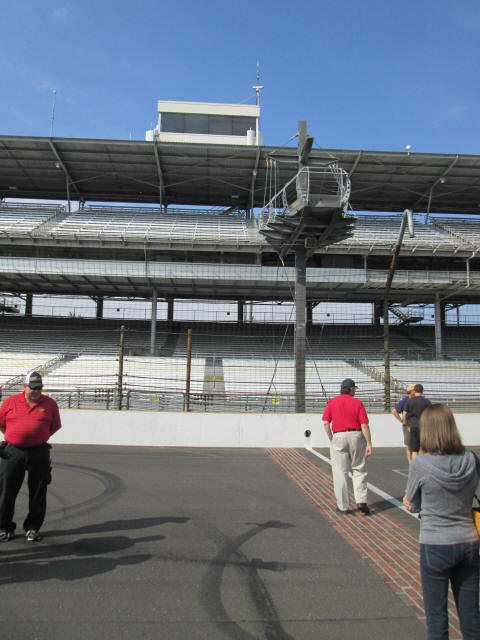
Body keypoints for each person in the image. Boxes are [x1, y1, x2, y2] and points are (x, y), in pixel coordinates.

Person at [403, 404, 480, 639]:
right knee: (471, 615)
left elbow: (414, 503)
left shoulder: (420, 464)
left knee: (436, 617)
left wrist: (409, 502)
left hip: (435, 542)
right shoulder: (470, 458)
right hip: (468, 540)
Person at [0, 370, 61, 542]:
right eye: (33, 387)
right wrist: (15, 436)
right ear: (24, 387)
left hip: (39, 451)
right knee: (6, 491)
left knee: (38, 491)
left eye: (39, 388)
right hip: (12, 452)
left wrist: (39, 437)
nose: (36, 391)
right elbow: (2, 424)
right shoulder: (10, 402)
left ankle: (32, 527)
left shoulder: (49, 404)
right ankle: (4, 527)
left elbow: (55, 426)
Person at [322, 378, 372, 515]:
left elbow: (326, 422)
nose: (355, 391)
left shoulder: (333, 402)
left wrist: (331, 437)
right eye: (354, 389)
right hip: (356, 435)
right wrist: (369, 443)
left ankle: (343, 506)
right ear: (351, 389)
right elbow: (364, 425)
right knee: (359, 468)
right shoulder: (357, 403)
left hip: (339, 435)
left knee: (340, 472)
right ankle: (361, 500)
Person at [402, 383, 431, 460]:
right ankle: (421, 464)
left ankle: (414, 465)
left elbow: (404, 415)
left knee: (414, 449)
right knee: (422, 447)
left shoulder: (409, 401)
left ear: (414, 391)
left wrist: (407, 425)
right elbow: (430, 415)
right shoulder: (427, 402)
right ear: (422, 391)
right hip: (424, 427)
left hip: (413, 426)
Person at [392, 384, 416, 463]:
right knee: (409, 445)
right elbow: (394, 411)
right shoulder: (405, 401)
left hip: (416, 424)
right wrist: (401, 420)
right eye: (414, 390)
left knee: (416, 445)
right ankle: (410, 462)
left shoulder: (416, 400)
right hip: (408, 424)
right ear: (411, 392)